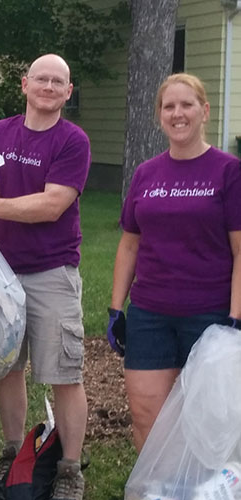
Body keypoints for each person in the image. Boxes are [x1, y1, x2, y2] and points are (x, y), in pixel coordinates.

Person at [0, 53, 91, 500]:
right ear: (24, 85)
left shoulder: (73, 140)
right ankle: (11, 453)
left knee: (63, 373)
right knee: (7, 366)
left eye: (57, 81)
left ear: (67, 92)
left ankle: (68, 469)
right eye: (40, 78)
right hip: (0, 273)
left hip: (51, 272)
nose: (48, 86)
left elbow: (51, 205)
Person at [107, 72, 241, 454]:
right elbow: (129, 244)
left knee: (205, 420)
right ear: (159, 115)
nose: (177, 113)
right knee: (146, 414)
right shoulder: (146, 173)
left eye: (187, 105)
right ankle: (155, 492)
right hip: (150, 314)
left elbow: (239, 250)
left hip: (209, 315)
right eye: (169, 106)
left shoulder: (228, 171)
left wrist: (235, 319)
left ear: (204, 111)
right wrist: (117, 308)